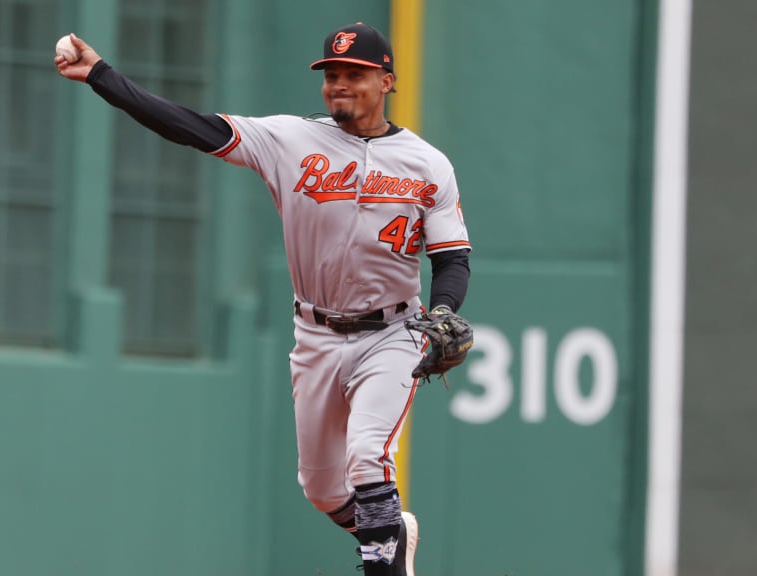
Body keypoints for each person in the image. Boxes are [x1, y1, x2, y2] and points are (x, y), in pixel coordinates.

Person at [55, 22, 472, 576]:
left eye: (355, 74)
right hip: (316, 334)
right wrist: (102, 77)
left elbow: (451, 259)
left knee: (368, 454)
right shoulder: (290, 140)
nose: (339, 85)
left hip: (392, 333)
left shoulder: (428, 164)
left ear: (387, 81)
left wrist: (444, 311)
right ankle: (391, 529)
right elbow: (192, 128)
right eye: (332, 75)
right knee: (323, 491)